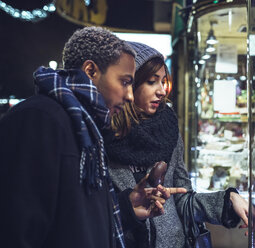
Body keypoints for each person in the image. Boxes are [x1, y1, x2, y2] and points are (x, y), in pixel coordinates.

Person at [0, 27, 181, 248]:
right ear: (90, 71)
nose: (130, 95)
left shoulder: (87, 129)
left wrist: (126, 207)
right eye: (125, 82)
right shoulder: (39, 119)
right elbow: (16, 229)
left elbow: (74, 220)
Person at [105, 42, 255, 247]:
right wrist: (128, 210)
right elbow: (92, 218)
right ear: (130, 84)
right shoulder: (102, 138)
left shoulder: (167, 130)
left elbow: (182, 199)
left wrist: (228, 201)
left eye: (163, 81)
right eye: (151, 81)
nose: (161, 91)